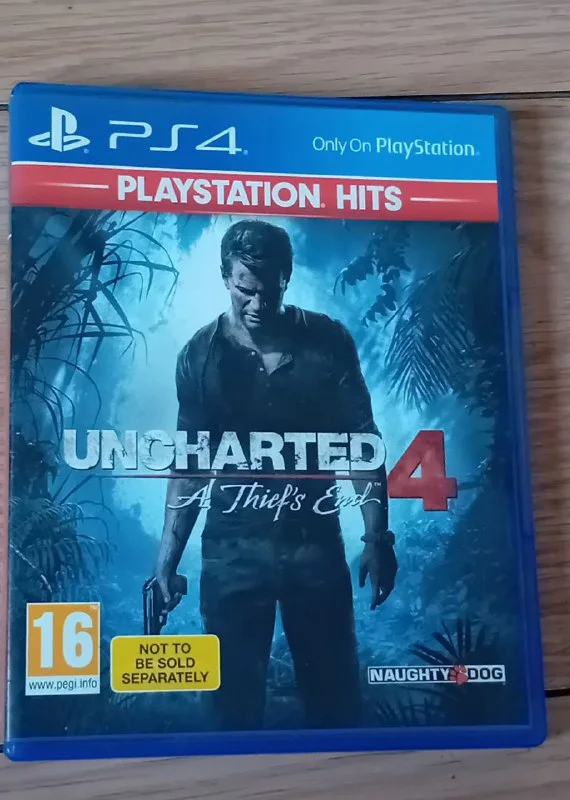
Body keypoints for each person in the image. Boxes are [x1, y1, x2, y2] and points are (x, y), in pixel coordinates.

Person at [154, 219, 397, 730]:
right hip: (232, 553)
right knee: (230, 710)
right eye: (245, 289)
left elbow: (362, 442)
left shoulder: (327, 341)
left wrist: (378, 539)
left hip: (315, 547)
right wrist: (166, 564)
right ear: (226, 278)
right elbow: (190, 465)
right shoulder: (199, 356)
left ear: (286, 277)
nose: (258, 304)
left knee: (334, 702)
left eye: (269, 289)